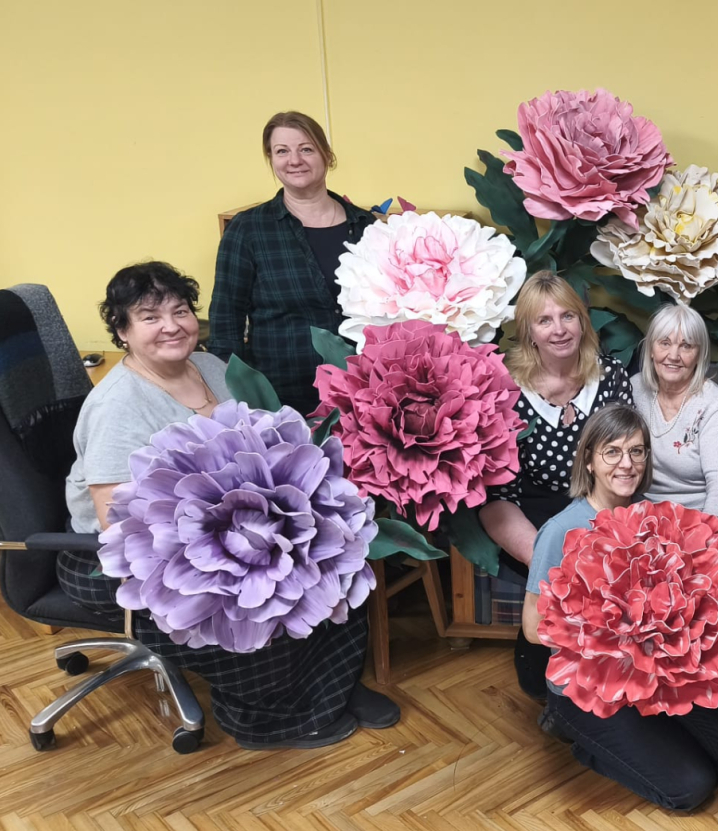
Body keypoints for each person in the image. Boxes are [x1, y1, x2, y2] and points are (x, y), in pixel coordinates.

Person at [60, 262, 397, 750]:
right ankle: (270, 717)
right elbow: (113, 509)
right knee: (249, 599)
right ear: (122, 331)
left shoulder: (214, 366)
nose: (171, 325)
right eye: (150, 317)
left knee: (333, 558)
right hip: (138, 551)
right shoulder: (119, 405)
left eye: (180, 310)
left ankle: (335, 688)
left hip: (238, 519)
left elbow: (264, 439)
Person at [522, 406, 718, 831]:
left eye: (637, 452)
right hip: (589, 688)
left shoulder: (656, 517)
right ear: (589, 460)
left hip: (655, 678)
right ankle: (581, 738)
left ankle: (645, 728)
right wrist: (612, 642)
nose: (627, 464)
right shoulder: (561, 530)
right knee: (690, 788)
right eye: (612, 452)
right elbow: (531, 627)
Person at [478, 271, 633, 699]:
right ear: (528, 331)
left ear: (583, 322)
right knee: (538, 683)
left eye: (568, 316)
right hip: (533, 520)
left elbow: (626, 468)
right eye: (544, 320)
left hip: (600, 510)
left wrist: (603, 549)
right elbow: (496, 499)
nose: (559, 329)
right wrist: (552, 565)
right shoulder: (506, 390)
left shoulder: (611, 378)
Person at [208, 110, 378, 414]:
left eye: (306, 149)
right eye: (282, 151)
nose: (294, 160)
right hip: (281, 400)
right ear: (271, 160)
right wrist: (231, 397)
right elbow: (226, 321)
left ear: (327, 155)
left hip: (364, 392)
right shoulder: (248, 229)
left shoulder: (368, 227)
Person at [631, 304, 718, 521]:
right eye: (665, 343)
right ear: (651, 349)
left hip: (701, 512)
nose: (673, 355)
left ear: (699, 354)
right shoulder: (633, 390)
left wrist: (704, 538)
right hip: (645, 512)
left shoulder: (715, 404)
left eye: (686, 346)